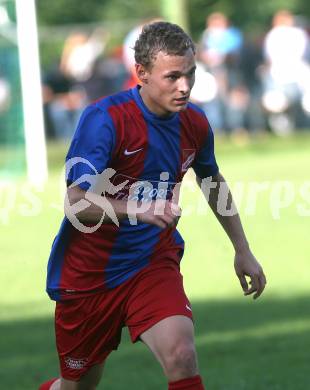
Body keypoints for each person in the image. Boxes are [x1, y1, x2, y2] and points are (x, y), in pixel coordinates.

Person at [40, 21, 266, 390]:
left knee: (182, 355)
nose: (184, 87)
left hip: (150, 263)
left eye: (190, 74)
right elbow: (75, 203)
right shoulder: (105, 119)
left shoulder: (194, 122)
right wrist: (136, 209)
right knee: (77, 386)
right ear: (141, 73)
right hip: (89, 276)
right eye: (172, 76)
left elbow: (212, 181)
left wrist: (242, 249)